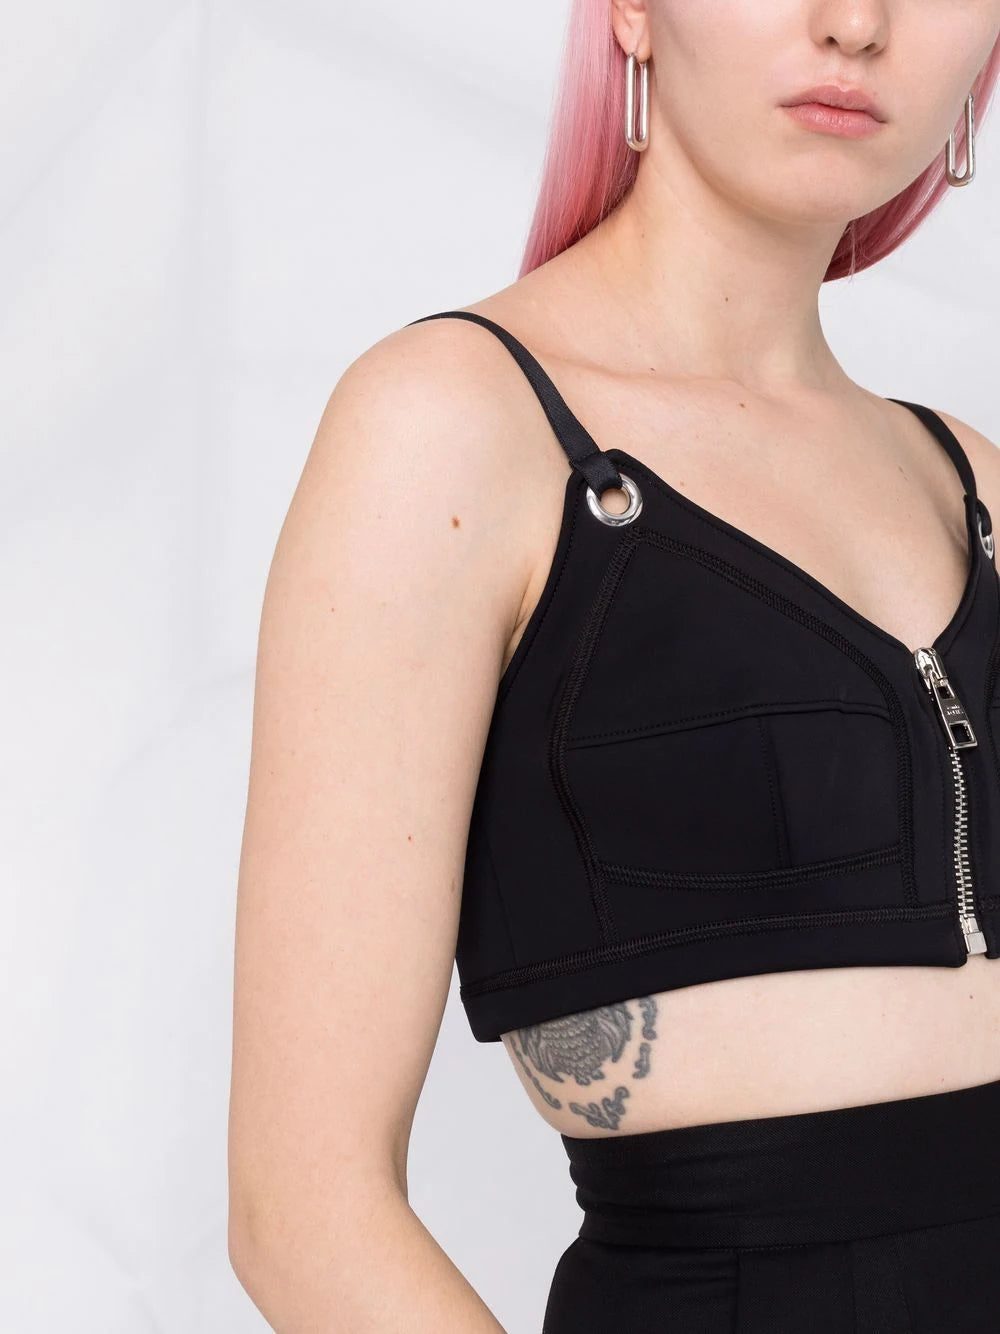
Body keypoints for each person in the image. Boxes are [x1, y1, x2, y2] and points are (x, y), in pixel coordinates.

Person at [227, 1, 1000, 1329]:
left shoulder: (972, 478)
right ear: (632, 10)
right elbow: (301, 1211)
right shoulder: (453, 428)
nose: (857, 23)